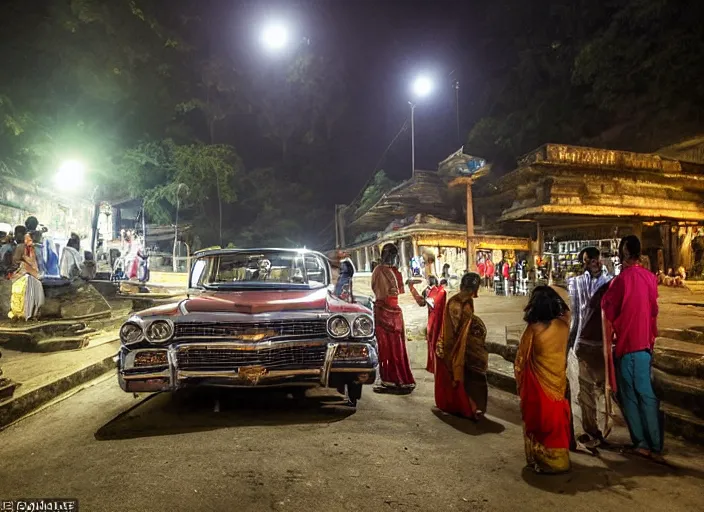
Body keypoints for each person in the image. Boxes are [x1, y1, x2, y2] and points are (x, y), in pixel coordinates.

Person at [602, 235, 664, 463]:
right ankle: (655, 444)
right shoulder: (649, 278)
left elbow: (607, 310)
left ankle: (643, 444)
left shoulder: (620, 281)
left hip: (628, 346)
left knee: (630, 395)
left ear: (625, 252)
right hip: (645, 344)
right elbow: (654, 311)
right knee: (647, 395)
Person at [515, 286, 572, 474]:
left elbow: (521, 359)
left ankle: (542, 460)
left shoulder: (533, 329)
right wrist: (556, 295)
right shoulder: (564, 325)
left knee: (540, 420)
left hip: (537, 384)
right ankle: (560, 460)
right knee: (556, 421)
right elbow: (567, 310)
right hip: (557, 383)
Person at [568, 246, 612, 450]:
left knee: (607, 389)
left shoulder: (612, 282)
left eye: (595, 258)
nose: (592, 262)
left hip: (606, 345)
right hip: (584, 344)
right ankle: (592, 430)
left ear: (600, 259)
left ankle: (606, 427)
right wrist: (571, 342)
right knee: (585, 390)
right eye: (588, 260)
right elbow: (576, 317)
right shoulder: (576, 284)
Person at [435, 272, 488, 419]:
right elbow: (459, 329)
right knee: (461, 375)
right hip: (454, 345)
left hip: (453, 343)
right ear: (475, 288)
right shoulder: (465, 303)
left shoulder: (455, 300)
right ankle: (466, 406)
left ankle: (459, 405)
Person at [371, 243, 415, 394]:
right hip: (396, 313)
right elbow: (398, 292)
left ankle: (389, 381)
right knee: (398, 348)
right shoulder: (396, 272)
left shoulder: (378, 270)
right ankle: (402, 380)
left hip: (382, 311)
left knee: (385, 348)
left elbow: (378, 291)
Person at [408, 275, 447, 373]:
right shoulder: (427, 291)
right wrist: (412, 289)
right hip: (432, 319)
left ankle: (438, 365)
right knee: (431, 340)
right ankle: (432, 365)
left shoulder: (441, 291)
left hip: (440, 319)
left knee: (438, 341)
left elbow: (433, 303)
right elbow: (422, 303)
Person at [8, 232, 45, 320]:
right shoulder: (20, 247)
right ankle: (22, 314)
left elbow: (38, 264)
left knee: (37, 287)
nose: (28, 241)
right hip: (21, 274)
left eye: (30, 240)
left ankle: (33, 313)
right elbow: (15, 262)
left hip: (33, 275)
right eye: (27, 239)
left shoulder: (35, 249)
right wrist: (25, 265)